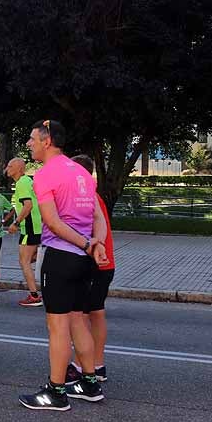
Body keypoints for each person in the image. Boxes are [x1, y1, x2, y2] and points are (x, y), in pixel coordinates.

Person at [18, 120, 109, 411]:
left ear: (48, 141)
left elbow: (54, 223)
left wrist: (86, 244)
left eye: (33, 139)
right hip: (84, 260)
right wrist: (96, 244)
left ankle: (56, 392)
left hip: (61, 256)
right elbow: (98, 218)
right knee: (78, 319)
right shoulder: (81, 171)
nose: (29, 143)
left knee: (57, 326)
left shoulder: (44, 175)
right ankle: (89, 382)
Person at [66, 154, 115, 384]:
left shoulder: (87, 197)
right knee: (94, 312)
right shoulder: (92, 195)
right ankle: (97, 364)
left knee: (83, 316)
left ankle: (85, 365)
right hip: (103, 264)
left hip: (96, 263)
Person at [5, 158, 44, 307]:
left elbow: (28, 205)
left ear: (19, 169)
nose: (7, 168)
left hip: (29, 228)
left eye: (10, 165)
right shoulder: (27, 181)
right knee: (26, 259)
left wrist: (15, 223)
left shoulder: (22, 183)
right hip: (35, 226)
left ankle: (34, 296)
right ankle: (42, 261)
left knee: (24, 262)